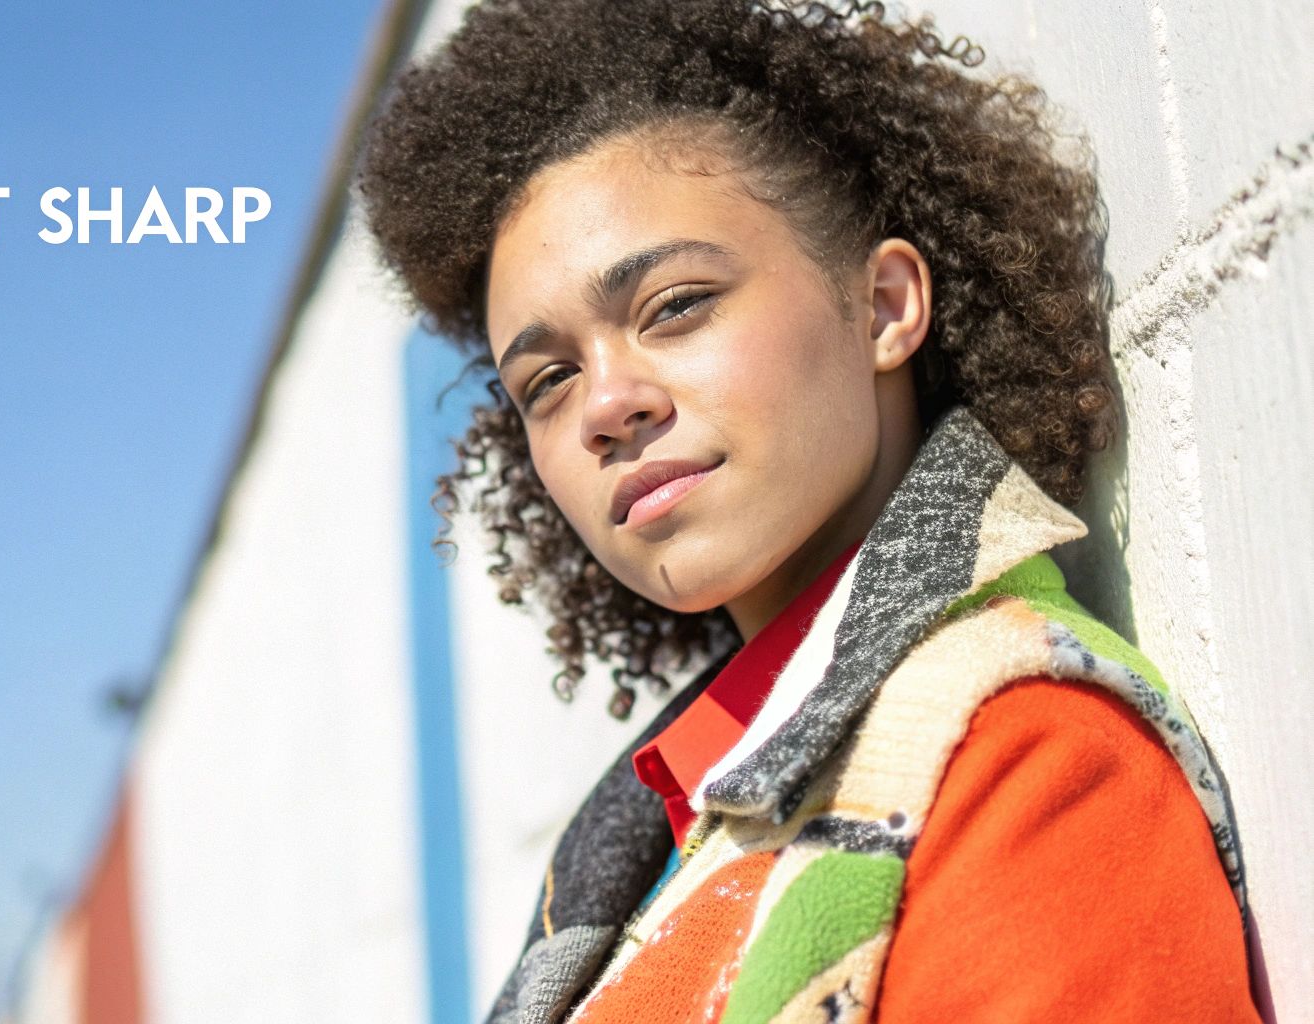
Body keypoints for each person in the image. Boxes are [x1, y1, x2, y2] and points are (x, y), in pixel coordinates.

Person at [351, 0, 1264, 1021]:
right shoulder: (647, 833)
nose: (607, 405)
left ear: (882, 306)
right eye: (548, 379)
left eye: (673, 306)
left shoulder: (1025, 766)